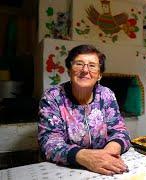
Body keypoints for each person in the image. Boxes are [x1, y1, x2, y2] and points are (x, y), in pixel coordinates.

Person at [38, 44, 131, 176]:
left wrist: (109, 151)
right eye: (79, 64)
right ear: (69, 71)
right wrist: (85, 157)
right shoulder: (53, 96)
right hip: (67, 170)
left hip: (104, 165)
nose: (85, 70)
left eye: (92, 65)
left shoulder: (106, 95)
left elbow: (120, 131)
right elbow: (48, 142)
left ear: (99, 75)